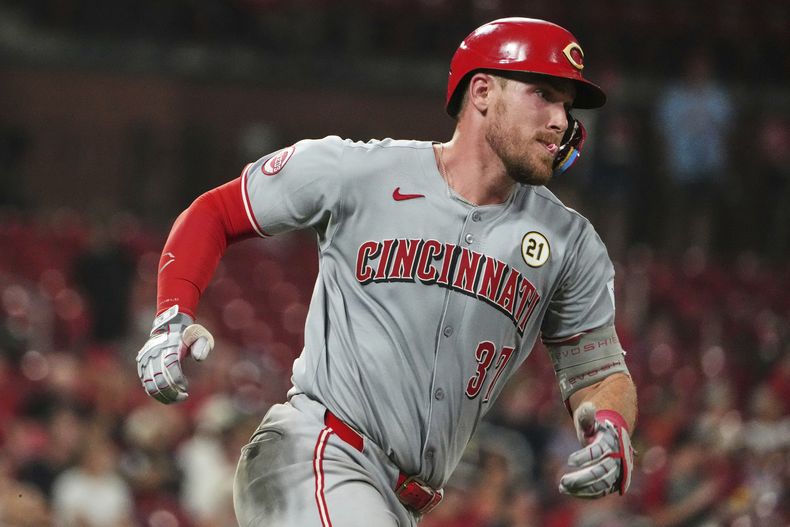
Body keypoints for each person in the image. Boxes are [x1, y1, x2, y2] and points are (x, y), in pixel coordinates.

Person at [136, 17, 638, 526]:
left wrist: (613, 423)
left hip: (400, 503)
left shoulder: (570, 243)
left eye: (565, 106)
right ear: (483, 91)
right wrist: (171, 313)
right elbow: (214, 213)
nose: (560, 120)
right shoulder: (363, 172)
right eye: (543, 95)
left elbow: (599, 375)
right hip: (316, 454)